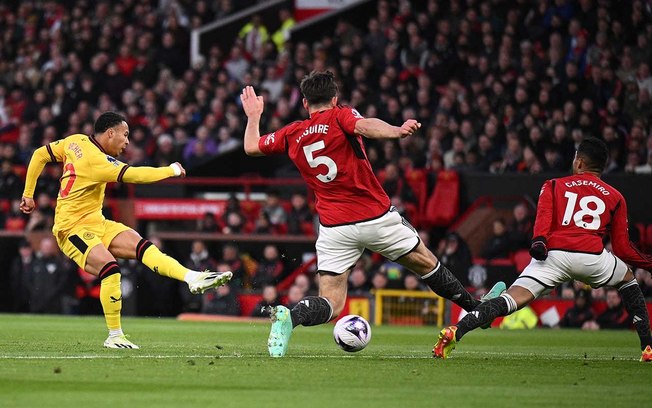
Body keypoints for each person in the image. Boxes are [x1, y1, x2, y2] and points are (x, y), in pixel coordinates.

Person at [240, 71, 505, 357]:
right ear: (335, 98)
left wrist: (254, 116)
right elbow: (365, 126)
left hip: (334, 228)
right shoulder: (340, 116)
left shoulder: (292, 133)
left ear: (305, 103)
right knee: (429, 265)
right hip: (374, 218)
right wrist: (396, 131)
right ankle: (478, 310)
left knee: (332, 304)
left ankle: (290, 317)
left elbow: (251, 147)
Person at [20, 111, 232, 349]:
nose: (127, 141)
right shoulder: (98, 162)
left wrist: (28, 194)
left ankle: (191, 277)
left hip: (97, 222)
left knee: (142, 245)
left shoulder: (75, 141)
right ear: (110, 133)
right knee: (110, 268)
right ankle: (114, 335)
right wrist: (170, 170)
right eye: (125, 134)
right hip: (71, 229)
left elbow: (39, 154)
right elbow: (136, 175)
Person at [434, 137, 652, 362]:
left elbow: (543, 220)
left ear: (578, 163)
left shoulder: (554, 184)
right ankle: (647, 348)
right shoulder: (616, 196)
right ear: (602, 166)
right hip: (592, 258)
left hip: (553, 257)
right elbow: (623, 249)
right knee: (628, 279)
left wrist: (539, 242)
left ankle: (455, 331)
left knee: (511, 299)